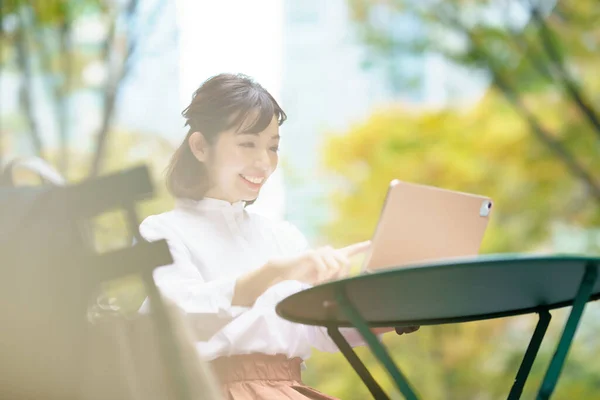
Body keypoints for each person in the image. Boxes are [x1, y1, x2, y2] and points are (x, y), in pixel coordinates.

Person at [139, 73, 417, 399]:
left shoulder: (281, 236)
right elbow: (176, 320)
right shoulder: (162, 231)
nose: (264, 163)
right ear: (200, 146)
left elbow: (322, 332)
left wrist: (391, 303)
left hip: (290, 389)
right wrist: (273, 273)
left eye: (272, 147)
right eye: (247, 144)